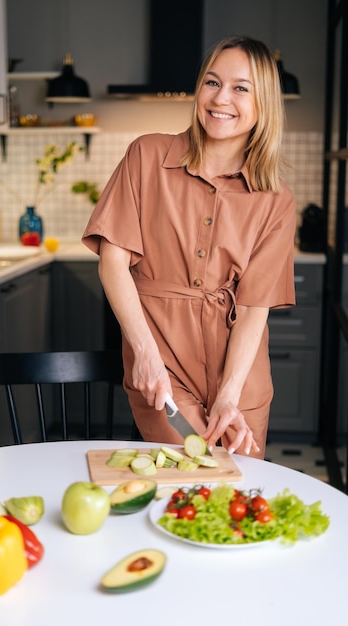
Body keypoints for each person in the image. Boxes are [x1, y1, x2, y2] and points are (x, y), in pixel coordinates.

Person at [82, 36, 296, 459]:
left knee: (235, 495)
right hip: (160, 362)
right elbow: (113, 262)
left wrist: (230, 395)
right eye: (212, 82)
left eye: (241, 88)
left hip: (240, 378)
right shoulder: (146, 155)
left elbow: (254, 308)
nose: (221, 99)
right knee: (192, 473)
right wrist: (143, 353)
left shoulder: (276, 200)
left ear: (264, 104)